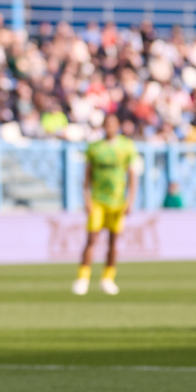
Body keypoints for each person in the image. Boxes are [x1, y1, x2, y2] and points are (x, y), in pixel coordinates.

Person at [73, 113, 138, 297]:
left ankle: (108, 278)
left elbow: (132, 176)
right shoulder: (94, 148)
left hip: (117, 201)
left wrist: (130, 200)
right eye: (107, 124)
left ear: (118, 126)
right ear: (103, 126)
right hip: (98, 200)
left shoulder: (127, 147)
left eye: (113, 124)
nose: (110, 127)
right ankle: (83, 278)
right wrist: (86, 199)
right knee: (92, 239)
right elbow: (86, 177)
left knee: (113, 241)